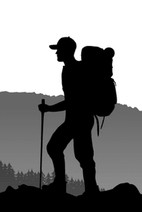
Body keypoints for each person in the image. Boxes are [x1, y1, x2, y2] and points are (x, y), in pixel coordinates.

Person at [39, 37, 99, 195]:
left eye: (59, 49)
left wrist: (49, 109)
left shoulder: (74, 70)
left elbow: (72, 100)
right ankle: (88, 189)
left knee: (79, 154)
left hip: (79, 120)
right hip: (78, 119)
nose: (57, 53)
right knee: (79, 154)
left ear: (67, 51)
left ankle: (84, 189)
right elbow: (71, 100)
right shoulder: (69, 69)